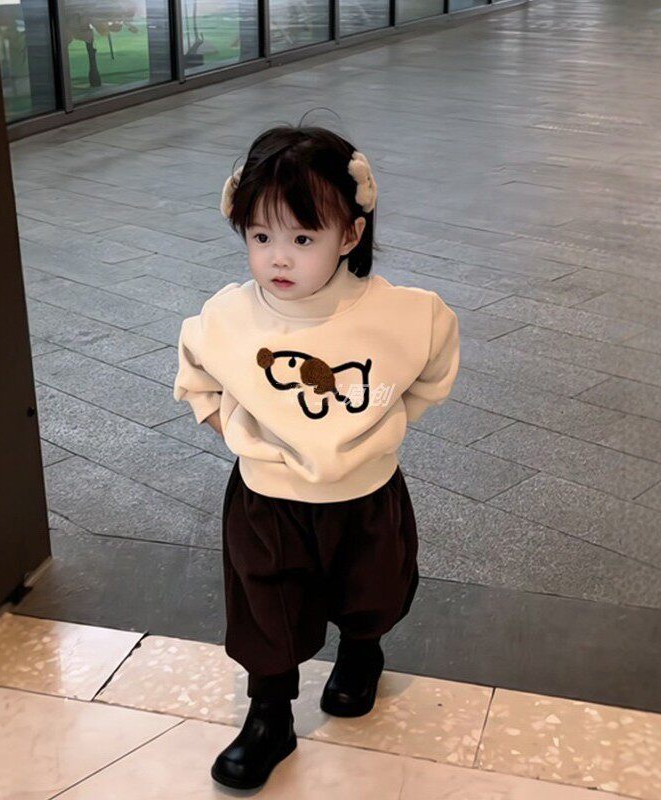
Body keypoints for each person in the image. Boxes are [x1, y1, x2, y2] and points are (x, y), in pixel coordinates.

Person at [173, 117, 460, 790]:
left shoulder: (402, 314)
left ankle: (362, 653)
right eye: (261, 237)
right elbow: (197, 375)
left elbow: (433, 366)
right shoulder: (229, 318)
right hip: (267, 500)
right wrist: (238, 432)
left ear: (350, 235)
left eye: (303, 239)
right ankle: (269, 714)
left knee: (373, 588)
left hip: (366, 494)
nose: (279, 258)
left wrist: (382, 424)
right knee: (265, 606)